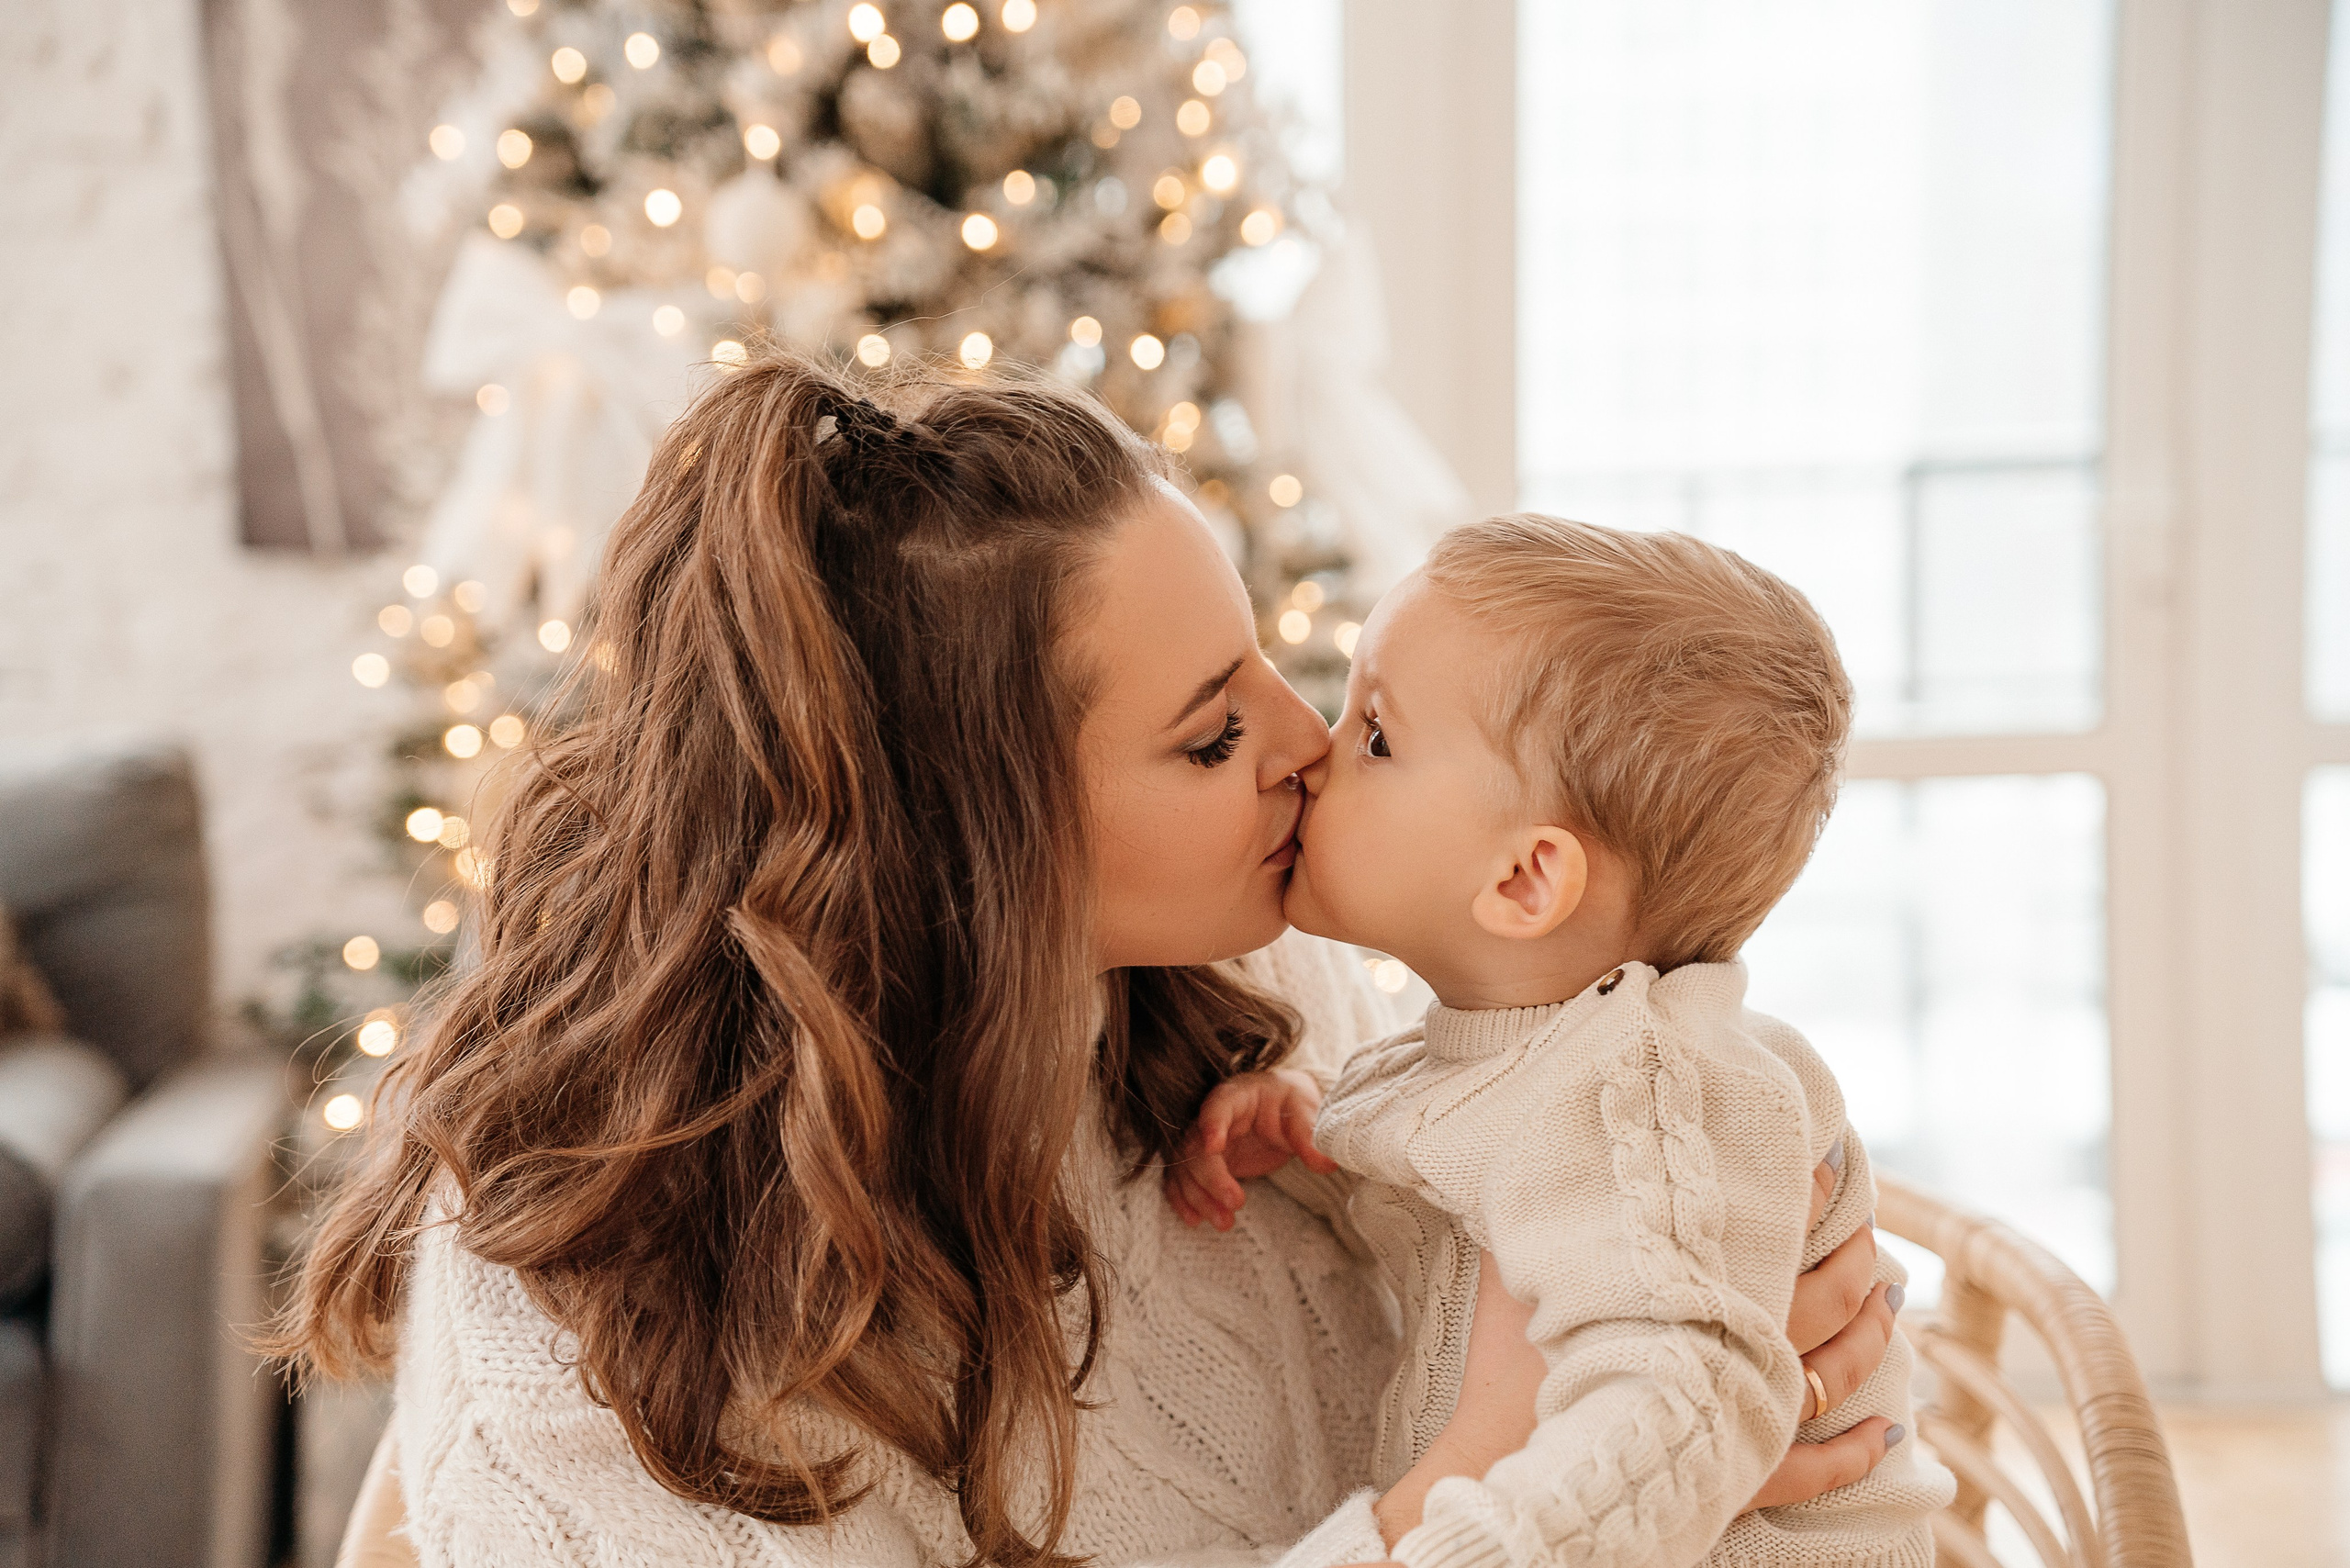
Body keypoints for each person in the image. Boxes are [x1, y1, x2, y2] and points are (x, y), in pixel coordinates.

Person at [280, 357, 1906, 1568]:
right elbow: (1525, 1400)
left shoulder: (1273, 1000)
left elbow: (1615, 1209)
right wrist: (1481, 1484)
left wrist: (1713, 1391)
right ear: (963, 842)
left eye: (1281, 665)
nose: (1303, 748)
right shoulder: (583, 1343)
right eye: (1211, 734)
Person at [1166, 515, 1955, 1568]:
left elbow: (1679, 1411)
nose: (1314, 746)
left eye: (1375, 734)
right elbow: (1497, 1236)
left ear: (1523, 881)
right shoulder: (1523, 1050)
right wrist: (1326, 1140)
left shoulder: (1643, 1088)